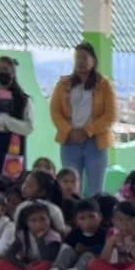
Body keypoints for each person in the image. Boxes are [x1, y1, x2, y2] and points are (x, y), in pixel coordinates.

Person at [51, 42, 116, 196]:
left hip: (96, 142)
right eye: (77, 58)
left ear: (93, 61)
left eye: (84, 57)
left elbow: (110, 116)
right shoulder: (63, 84)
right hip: (70, 142)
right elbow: (55, 112)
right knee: (70, 188)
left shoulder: (104, 84)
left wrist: (87, 131)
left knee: (96, 189)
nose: (80, 61)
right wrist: (69, 131)